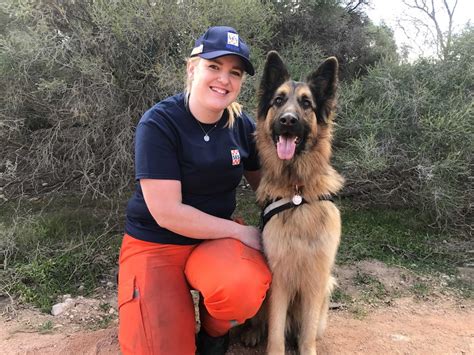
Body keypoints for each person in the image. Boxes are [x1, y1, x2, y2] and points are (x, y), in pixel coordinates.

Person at [118, 26, 272, 355]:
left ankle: (214, 334)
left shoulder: (241, 125)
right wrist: (241, 232)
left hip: (211, 241)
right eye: (214, 67)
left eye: (235, 72)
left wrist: (305, 197)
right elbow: (168, 212)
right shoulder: (159, 123)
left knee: (241, 286)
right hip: (155, 242)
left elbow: (268, 188)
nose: (224, 80)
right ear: (192, 68)